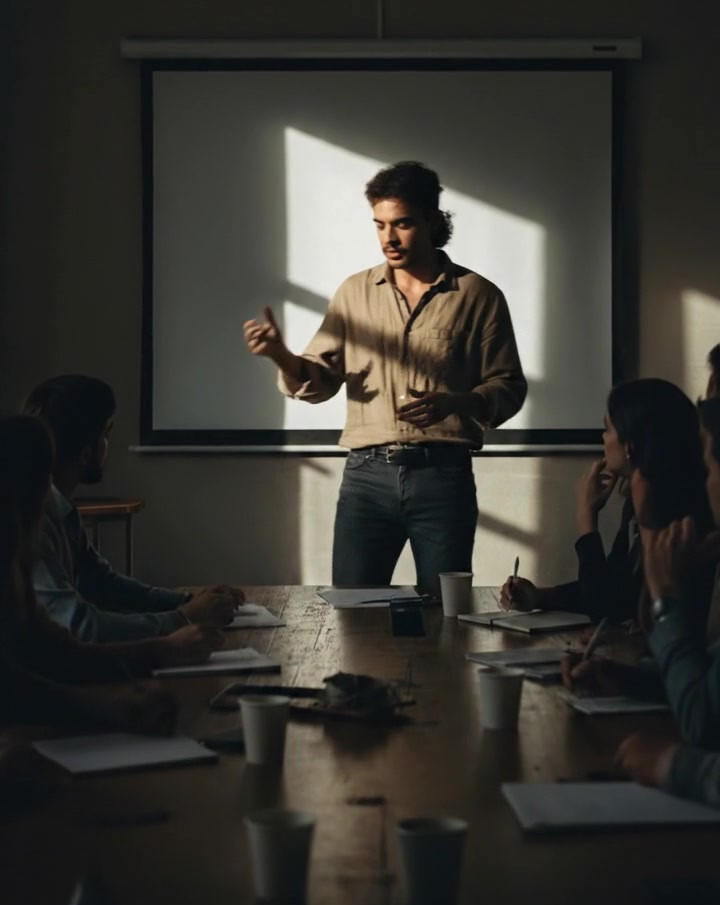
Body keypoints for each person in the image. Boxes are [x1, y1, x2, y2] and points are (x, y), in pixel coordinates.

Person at [244, 160, 527, 592]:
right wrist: (280, 355)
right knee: (354, 611)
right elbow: (319, 381)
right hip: (365, 479)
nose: (388, 239)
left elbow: (509, 386)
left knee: (443, 617)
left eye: (402, 224)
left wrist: (459, 402)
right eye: (379, 225)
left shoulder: (479, 296)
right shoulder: (354, 293)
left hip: (443, 476)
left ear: (433, 220)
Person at [0, 413, 225, 731]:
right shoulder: (30, 541)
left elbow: (58, 652)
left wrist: (165, 645)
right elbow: (13, 687)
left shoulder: (15, 565)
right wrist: (101, 709)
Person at [24, 375, 244, 640]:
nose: (108, 445)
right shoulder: (32, 522)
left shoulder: (60, 510)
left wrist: (189, 601)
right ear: (85, 451)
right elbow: (79, 627)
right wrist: (185, 617)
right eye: (106, 433)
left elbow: (104, 585)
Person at [500, 378, 714, 626]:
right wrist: (540, 597)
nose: (603, 437)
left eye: (608, 429)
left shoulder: (678, 516)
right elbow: (613, 587)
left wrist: (586, 516)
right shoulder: (638, 502)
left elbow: (603, 606)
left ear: (629, 447)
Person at [607, 400, 720, 804]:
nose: (704, 484)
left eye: (709, 470)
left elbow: (703, 722)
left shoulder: (687, 532)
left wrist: (666, 602)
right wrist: (625, 679)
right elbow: (709, 679)